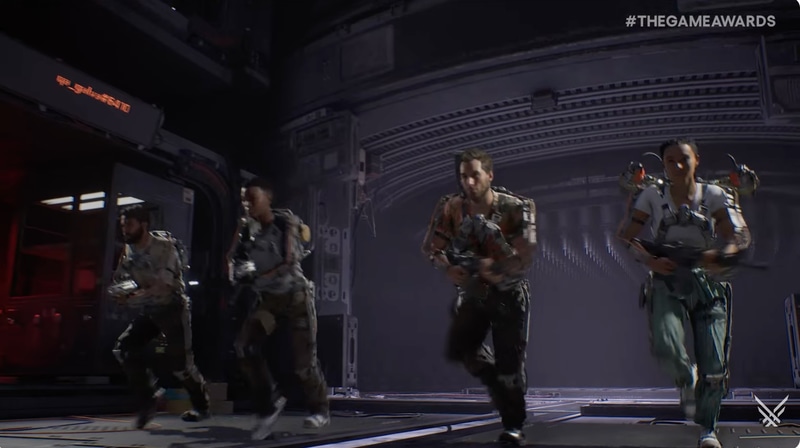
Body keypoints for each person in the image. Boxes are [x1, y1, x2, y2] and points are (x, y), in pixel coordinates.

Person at [616, 138, 752, 448]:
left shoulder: (715, 194)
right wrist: (649, 260)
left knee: (714, 367)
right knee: (666, 346)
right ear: (663, 165)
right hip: (667, 280)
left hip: (708, 283)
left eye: (684, 159)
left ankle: (708, 429)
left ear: (696, 160)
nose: (678, 166)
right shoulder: (652, 195)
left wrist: (723, 255)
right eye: (670, 161)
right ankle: (685, 379)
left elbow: (738, 234)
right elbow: (626, 235)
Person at [421, 148, 537, 446]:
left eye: (475, 175)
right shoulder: (451, 208)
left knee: (510, 362)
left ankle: (513, 425)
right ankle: (503, 386)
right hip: (473, 291)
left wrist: (495, 267)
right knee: (464, 350)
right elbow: (432, 248)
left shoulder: (516, 207)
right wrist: (447, 268)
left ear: (489, 175)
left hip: (509, 293)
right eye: (464, 177)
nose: (469, 182)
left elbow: (525, 256)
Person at [230, 177, 330, 441]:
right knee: (245, 346)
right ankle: (268, 402)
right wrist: (238, 270)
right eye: (244, 199)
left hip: (295, 296)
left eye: (252, 198)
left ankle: (320, 409)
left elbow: (288, 261)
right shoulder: (247, 230)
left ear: (268, 198)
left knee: (304, 363)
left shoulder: (285, 222)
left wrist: (256, 276)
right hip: (270, 299)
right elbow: (233, 260)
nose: (247, 204)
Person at [110, 205, 211, 429]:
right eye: (123, 225)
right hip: (150, 309)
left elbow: (162, 286)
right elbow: (120, 279)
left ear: (143, 225)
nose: (125, 229)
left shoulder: (164, 248)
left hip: (172, 307)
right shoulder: (129, 250)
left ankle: (201, 406)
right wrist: (120, 292)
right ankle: (149, 399)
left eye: (129, 224)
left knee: (181, 366)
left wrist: (133, 296)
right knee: (124, 348)